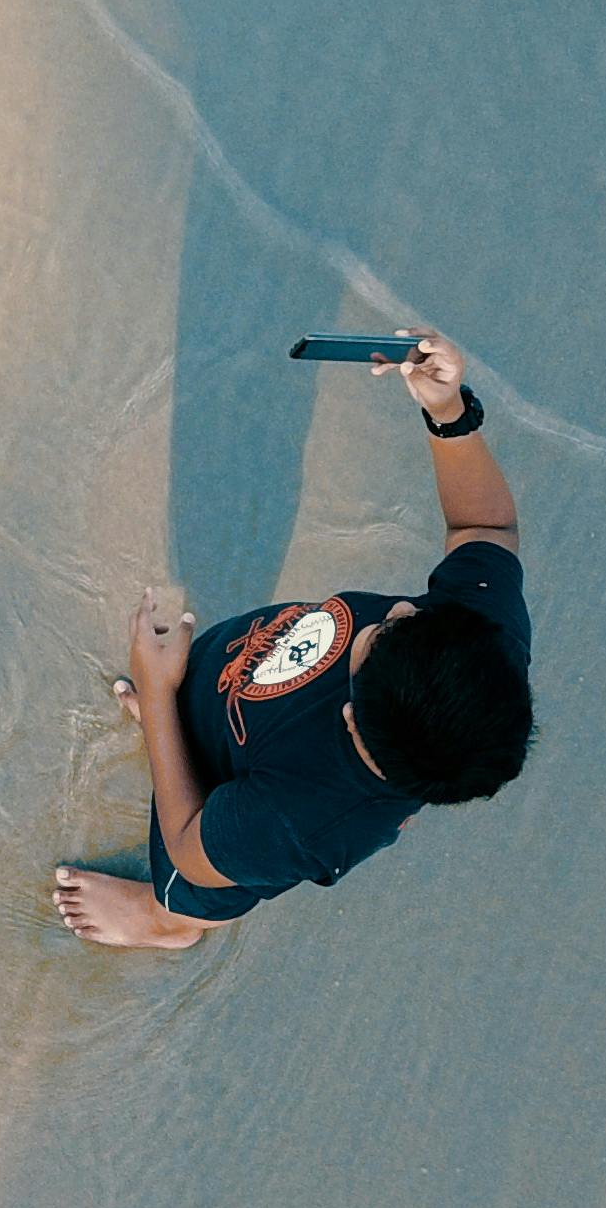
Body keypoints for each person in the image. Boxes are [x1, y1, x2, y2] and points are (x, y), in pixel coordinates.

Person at [53, 330, 534, 951]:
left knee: (192, 893)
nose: (407, 605)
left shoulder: (300, 821)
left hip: (217, 828)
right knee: (190, 728)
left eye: (383, 631)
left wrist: (158, 692)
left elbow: (190, 848)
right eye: (414, 614)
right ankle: (175, 729)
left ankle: (163, 925)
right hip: (236, 700)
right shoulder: (477, 635)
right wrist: (447, 413)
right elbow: (483, 524)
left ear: (353, 720)